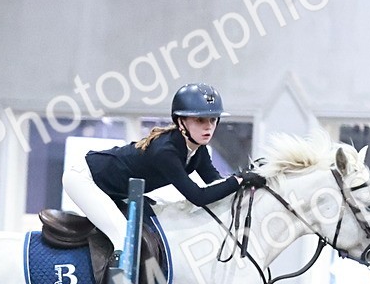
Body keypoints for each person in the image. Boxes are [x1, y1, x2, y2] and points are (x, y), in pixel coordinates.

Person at [62, 83, 266, 251]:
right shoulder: (165, 152)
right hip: (85, 180)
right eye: (200, 120)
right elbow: (198, 197)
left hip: (117, 190)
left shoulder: (199, 149)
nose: (209, 127)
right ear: (181, 122)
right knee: (123, 239)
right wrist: (238, 180)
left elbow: (215, 182)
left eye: (213, 120)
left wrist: (245, 176)